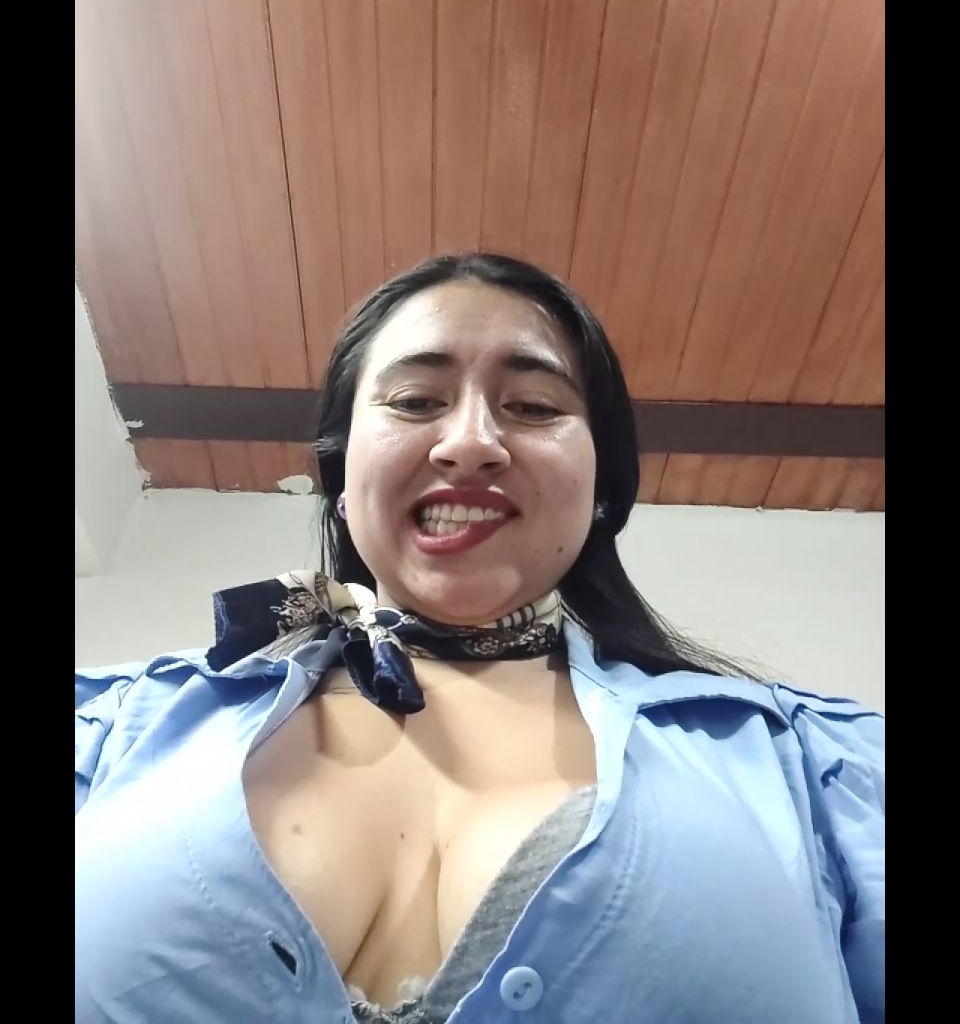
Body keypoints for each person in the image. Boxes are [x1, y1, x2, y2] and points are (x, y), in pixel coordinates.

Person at [75, 253, 884, 1023]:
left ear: (600, 489)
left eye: (534, 407)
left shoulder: (815, 770)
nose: (469, 443)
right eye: (413, 401)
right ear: (342, 477)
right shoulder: (107, 733)